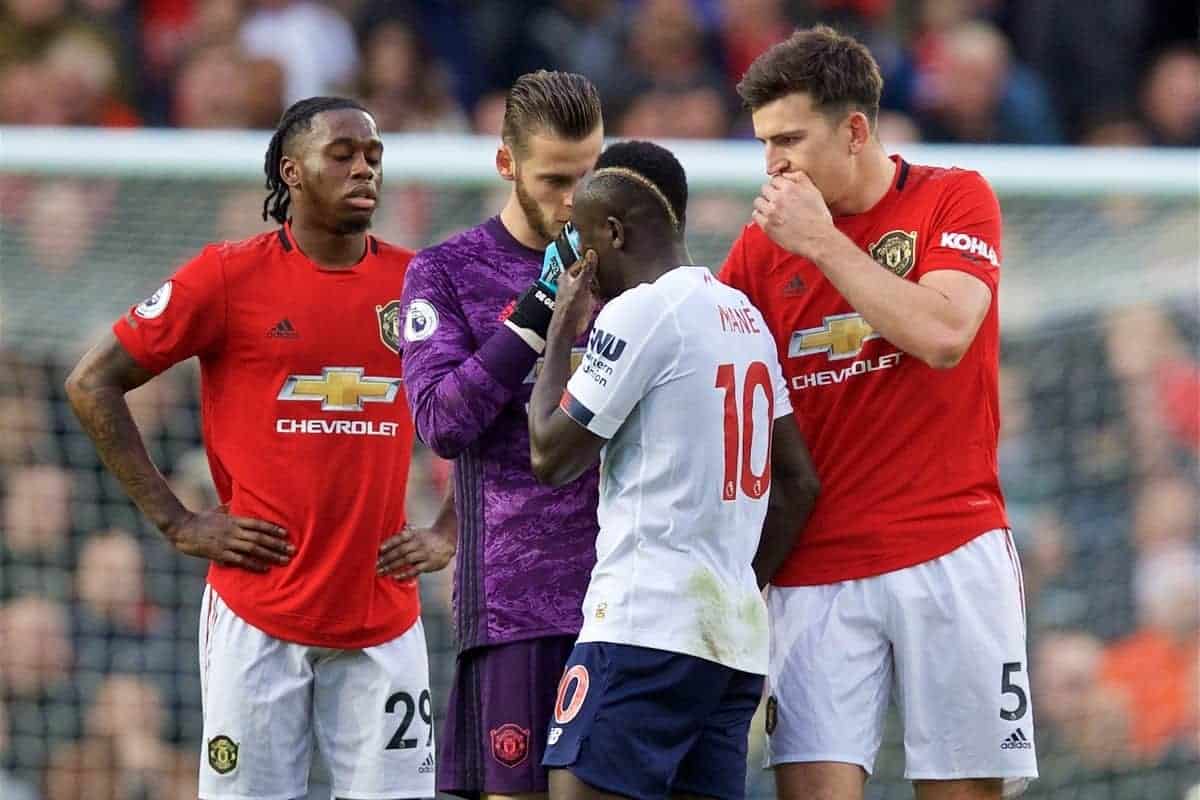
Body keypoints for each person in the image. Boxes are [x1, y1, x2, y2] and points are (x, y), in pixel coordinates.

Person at [65, 96, 445, 800]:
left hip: (383, 614)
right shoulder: (226, 277)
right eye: (342, 154)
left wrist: (451, 530)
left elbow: (499, 399)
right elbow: (92, 383)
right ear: (292, 172)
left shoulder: (423, 285)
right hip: (258, 612)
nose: (364, 167)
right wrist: (176, 520)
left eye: (373, 156)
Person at [719, 26, 1038, 800]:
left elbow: (943, 333)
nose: (774, 166)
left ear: (855, 130)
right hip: (816, 570)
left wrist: (824, 246)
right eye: (765, 144)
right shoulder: (759, 253)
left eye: (789, 139)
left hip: (949, 545)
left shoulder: (953, 197)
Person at [527, 140, 821, 800]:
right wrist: (736, 586)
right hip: (732, 649)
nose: (578, 261)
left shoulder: (642, 310)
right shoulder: (744, 317)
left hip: (641, 629)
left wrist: (562, 330)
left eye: (579, 237)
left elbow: (549, 454)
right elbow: (799, 483)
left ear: (613, 231)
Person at [392, 69, 603, 798]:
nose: (574, 200)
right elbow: (443, 422)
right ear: (506, 163)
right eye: (553, 179)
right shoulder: (446, 273)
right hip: (518, 604)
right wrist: (541, 307)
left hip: (633, 604)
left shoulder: (637, 271)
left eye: (589, 174)